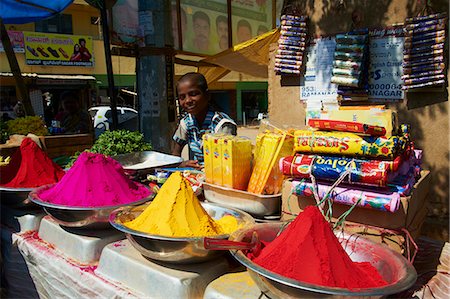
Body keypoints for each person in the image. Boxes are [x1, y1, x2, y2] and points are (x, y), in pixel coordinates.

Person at [172, 72, 237, 169]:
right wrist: (181, 164)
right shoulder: (186, 122)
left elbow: (225, 161)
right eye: (182, 97)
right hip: (196, 178)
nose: (188, 100)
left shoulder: (222, 124)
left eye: (193, 94)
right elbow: (175, 153)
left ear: (207, 95)